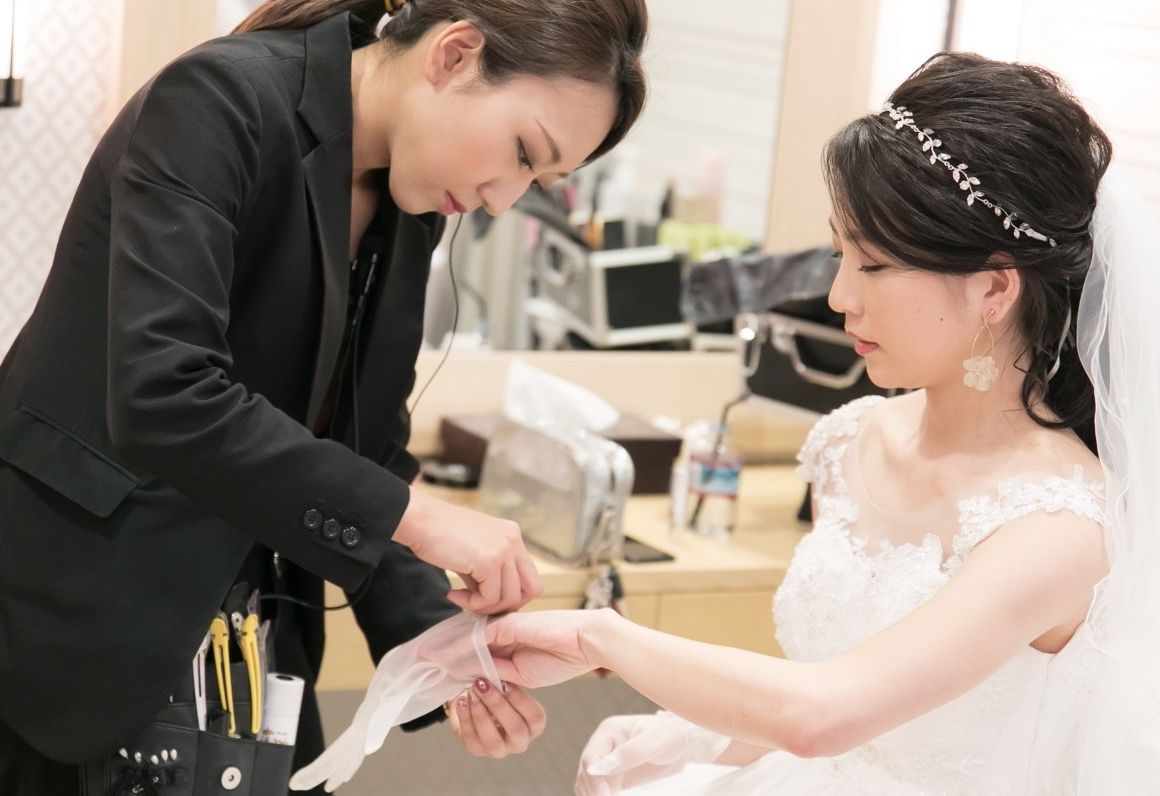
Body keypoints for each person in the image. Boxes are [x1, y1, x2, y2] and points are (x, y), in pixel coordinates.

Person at [0, 0, 647, 792]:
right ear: (453, 54)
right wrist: (424, 518)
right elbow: (165, 393)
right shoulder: (218, 100)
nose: (502, 199)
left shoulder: (411, 203)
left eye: (538, 181)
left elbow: (365, 451)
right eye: (521, 152)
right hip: (69, 614)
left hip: (246, 638)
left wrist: (454, 659)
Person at [485, 52, 1160, 793]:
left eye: (873, 266)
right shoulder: (855, 440)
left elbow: (824, 715)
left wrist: (598, 636)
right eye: (841, 254)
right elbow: (845, 709)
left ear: (995, 289)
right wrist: (686, 737)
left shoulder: (1059, 528)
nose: (839, 296)